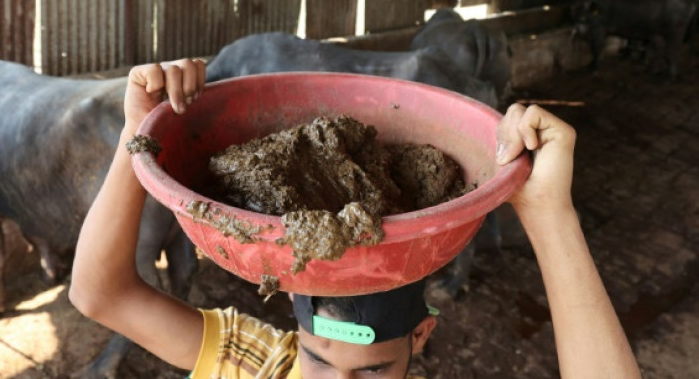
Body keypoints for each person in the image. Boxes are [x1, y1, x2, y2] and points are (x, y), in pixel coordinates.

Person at [69, 58, 641, 379]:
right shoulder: (255, 364)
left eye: (370, 373)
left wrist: (549, 213)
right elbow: (100, 294)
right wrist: (136, 139)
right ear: (295, 336)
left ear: (421, 335)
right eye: (317, 359)